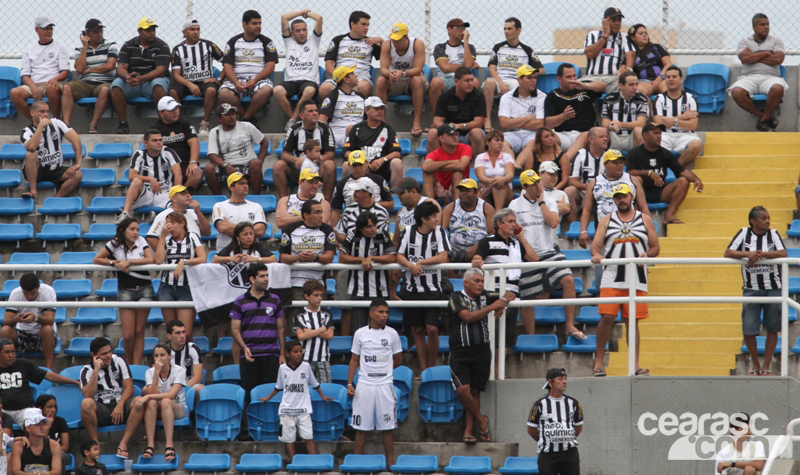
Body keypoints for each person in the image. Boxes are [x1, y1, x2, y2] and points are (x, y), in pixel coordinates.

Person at [590, 184, 660, 376]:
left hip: (636, 277)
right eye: (618, 197)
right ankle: (598, 362)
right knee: (607, 317)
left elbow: (656, 247)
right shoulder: (606, 220)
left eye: (625, 196)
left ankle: (635, 364)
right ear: (614, 200)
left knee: (632, 321)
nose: (622, 200)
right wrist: (597, 255)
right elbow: (595, 246)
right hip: (612, 276)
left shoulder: (645, 219)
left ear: (632, 197)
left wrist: (647, 255)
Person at [511, 170, 584, 338]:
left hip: (550, 251)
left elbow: (553, 222)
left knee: (568, 280)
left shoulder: (550, 202)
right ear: (524, 187)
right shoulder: (514, 205)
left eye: (538, 182)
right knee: (527, 297)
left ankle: (570, 325)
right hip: (527, 255)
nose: (537, 186)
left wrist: (541, 203)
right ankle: (531, 336)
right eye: (533, 184)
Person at [448, 268, 514, 443]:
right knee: (463, 390)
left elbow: (511, 293)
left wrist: (503, 302)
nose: (480, 284)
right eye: (476, 281)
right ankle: (482, 420)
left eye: (482, 281)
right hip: (460, 351)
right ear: (466, 283)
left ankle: (469, 432)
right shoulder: (456, 297)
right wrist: (493, 307)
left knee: (475, 392)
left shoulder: (486, 295)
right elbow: (467, 317)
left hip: (482, 350)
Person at [724, 206, 786, 376]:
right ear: (753, 221)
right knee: (748, 329)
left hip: (774, 287)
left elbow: (783, 252)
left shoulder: (773, 234)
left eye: (768, 218)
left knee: (772, 328)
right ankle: (755, 365)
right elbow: (728, 252)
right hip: (751, 288)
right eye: (763, 218)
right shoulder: (744, 233)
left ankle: (766, 366)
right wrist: (748, 254)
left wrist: (760, 255)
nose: (768, 221)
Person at [472, 208, 538, 349]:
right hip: (493, 294)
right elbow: (477, 257)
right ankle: (493, 371)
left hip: (513, 295)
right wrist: (477, 260)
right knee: (492, 339)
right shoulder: (487, 241)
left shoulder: (516, 243)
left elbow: (534, 259)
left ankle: (500, 371)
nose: (514, 224)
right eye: (510, 221)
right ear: (499, 224)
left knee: (506, 340)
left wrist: (521, 238)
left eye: (515, 221)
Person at [93, 217, 155, 364]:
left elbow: (150, 259)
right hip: (125, 290)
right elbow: (97, 259)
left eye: (137, 229)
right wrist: (114, 262)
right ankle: (129, 364)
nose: (136, 233)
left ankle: (136, 366)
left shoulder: (141, 241)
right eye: (132, 229)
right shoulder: (114, 243)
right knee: (128, 334)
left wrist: (129, 262)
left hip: (145, 289)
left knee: (139, 331)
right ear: (123, 230)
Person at [397, 201, 451, 372]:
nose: (437, 219)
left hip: (433, 289)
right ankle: (423, 368)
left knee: (432, 329)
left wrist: (420, 262)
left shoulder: (440, 232)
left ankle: (432, 367)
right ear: (424, 219)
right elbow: (399, 256)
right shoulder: (408, 232)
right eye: (434, 216)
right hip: (412, 289)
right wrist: (410, 265)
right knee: (418, 330)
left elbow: (443, 257)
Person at [348, 298, 402, 464]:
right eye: (380, 312)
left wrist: (383, 373)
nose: (384, 315)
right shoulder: (360, 333)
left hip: (385, 385)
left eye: (386, 312)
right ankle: (356, 462)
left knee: (387, 426)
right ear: (371, 313)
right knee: (361, 426)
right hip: (364, 384)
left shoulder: (392, 333)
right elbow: (354, 360)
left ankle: (390, 463)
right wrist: (350, 383)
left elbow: (398, 359)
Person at [259, 340, 331, 457]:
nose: (299, 354)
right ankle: (293, 463)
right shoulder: (282, 368)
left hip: (304, 409)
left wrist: (323, 396)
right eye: (295, 352)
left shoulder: (306, 366)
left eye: (300, 351)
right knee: (289, 439)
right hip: (287, 410)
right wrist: (267, 397)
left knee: (308, 437)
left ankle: (313, 462)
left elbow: (315, 383)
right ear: (287, 354)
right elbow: (278, 387)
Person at [118, 344, 187, 462]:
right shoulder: (149, 372)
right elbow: (153, 392)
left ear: (170, 356)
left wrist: (148, 396)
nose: (159, 358)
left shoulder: (179, 370)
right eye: (156, 356)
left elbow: (171, 395)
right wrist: (156, 374)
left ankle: (169, 445)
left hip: (178, 407)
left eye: (162, 355)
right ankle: (150, 445)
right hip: (159, 408)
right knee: (151, 403)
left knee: (165, 401)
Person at [626, 122, 704, 224]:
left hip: (660, 191)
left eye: (660, 133)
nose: (659, 136)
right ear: (645, 135)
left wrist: (696, 179)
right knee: (636, 179)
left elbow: (682, 171)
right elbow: (629, 172)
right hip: (641, 191)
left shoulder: (665, 153)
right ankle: (638, 215)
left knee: (684, 181)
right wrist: (649, 173)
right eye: (655, 133)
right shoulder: (635, 153)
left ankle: (669, 215)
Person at [578, 150, 650, 251]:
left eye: (621, 162)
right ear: (605, 164)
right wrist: (583, 231)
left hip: (630, 228)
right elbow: (587, 210)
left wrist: (649, 229)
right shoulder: (595, 182)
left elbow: (643, 207)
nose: (619, 165)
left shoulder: (632, 180)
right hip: (604, 230)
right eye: (615, 162)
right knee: (603, 261)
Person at [340, 211, 398, 333]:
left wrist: (371, 258)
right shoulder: (352, 234)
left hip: (381, 289)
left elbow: (392, 256)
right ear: (361, 228)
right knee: (359, 329)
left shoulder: (382, 234)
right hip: (358, 289)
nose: (373, 229)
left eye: (375, 225)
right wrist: (362, 260)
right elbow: (342, 257)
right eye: (369, 227)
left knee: (381, 328)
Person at [279, 200, 337, 324]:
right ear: (306, 215)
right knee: (296, 325)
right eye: (317, 212)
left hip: (318, 285)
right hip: (295, 285)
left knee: (318, 323)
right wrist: (298, 258)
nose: (321, 215)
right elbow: (283, 257)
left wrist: (315, 258)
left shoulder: (327, 230)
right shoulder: (291, 228)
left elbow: (329, 257)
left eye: (321, 212)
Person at [110, 18, 171, 134]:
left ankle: (163, 125)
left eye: (153, 29)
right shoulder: (128, 45)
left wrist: (142, 78)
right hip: (133, 82)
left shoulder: (162, 46)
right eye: (148, 30)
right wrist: (128, 77)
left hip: (152, 81)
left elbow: (161, 70)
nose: (152, 32)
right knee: (116, 86)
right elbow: (121, 67)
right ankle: (123, 124)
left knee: (158, 85)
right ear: (139, 31)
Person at [231, 263, 286, 390]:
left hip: (271, 355)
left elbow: (281, 328)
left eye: (267, 275)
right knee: (251, 395)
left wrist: (282, 353)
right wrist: (244, 347)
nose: (266, 279)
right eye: (262, 276)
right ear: (252, 279)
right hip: (249, 355)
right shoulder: (239, 301)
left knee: (270, 394)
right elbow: (235, 329)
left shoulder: (275, 300)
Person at [219, 10, 278, 127]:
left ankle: (245, 118)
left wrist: (255, 80)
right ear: (244, 24)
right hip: (237, 79)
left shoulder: (266, 42)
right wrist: (236, 82)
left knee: (266, 90)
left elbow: (270, 66)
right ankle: (246, 118)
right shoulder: (233, 42)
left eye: (260, 23)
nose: (258, 26)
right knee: (224, 92)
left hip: (259, 80)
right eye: (254, 23)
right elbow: (227, 66)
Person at [0, 339, 78, 427]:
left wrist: (74, 381)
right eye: (7, 352)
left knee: (37, 421)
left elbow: (48, 375)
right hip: (3, 410)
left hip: (24, 410)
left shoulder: (23, 365)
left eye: (13, 352)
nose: (11, 355)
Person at [730, 13, 787, 131]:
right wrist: (767, 53)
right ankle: (763, 117)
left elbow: (778, 59)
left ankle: (763, 119)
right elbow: (745, 59)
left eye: (767, 24)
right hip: (748, 77)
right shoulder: (744, 41)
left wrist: (753, 55)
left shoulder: (776, 41)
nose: (766, 27)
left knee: (777, 88)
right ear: (754, 27)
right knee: (736, 92)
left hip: (770, 77)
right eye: (762, 24)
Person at [155, 211, 207, 340]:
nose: (169, 226)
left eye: (172, 223)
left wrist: (184, 262)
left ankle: (187, 357)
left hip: (186, 287)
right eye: (167, 223)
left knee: (185, 333)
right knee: (172, 333)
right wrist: (162, 237)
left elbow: (202, 258)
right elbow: (158, 260)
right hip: (167, 287)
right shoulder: (166, 240)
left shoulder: (193, 237)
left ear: (182, 223)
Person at [484, 18, 543, 127]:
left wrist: (527, 73)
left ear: (518, 30)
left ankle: (515, 122)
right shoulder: (498, 47)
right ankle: (487, 120)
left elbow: (541, 70)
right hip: (499, 80)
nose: (506, 31)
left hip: (516, 81)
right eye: (505, 29)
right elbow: (491, 69)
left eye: (509, 29)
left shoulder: (527, 50)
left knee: (519, 87)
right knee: (488, 82)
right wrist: (501, 84)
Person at [168, 18, 224, 134]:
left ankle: (205, 124)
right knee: (173, 92)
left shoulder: (209, 45)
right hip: (186, 83)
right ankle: (181, 124)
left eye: (198, 29)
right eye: (192, 29)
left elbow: (228, 63)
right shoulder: (177, 49)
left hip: (205, 81)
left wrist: (219, 79)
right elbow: (176, 75)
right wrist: (190, 84)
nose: (196, 32)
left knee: (212, 90)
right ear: (184, 32)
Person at [20, 100, 83, 202]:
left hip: (55, 169)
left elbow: (76, 139)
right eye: (42, 111)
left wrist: (78, 163)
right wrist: (40, 126)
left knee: (77, 174)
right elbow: (31, 147)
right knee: (30, 155)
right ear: (32, 113)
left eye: (47, 112)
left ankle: (56, 199)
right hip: (37, 170)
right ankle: (33, 192)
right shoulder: (26, 131)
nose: (45, 115)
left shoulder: (57, 123)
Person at [62, 19, 117, 132]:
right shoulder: (79, 49)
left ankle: (93, 124)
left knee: (105, 90)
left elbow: (110, 66)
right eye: (95, 32)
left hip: (103, 82)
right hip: (85, 83)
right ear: (87, 34)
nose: (99, 34)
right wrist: (85, 47)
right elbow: (80, 68)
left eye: (101, 31)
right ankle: (66, 125)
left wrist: (89, 70)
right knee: (67, 87)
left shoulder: (111, 45)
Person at [10, 17, 70, 122]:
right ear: (37, 30)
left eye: (51, 28)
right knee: (14, 93)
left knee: (51, 88)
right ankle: (35, 122)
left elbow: (65, 72)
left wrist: (54, 80)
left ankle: (56, 121)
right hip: (35, 84)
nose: (49, 31)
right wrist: (33, 87)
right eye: (46, 29)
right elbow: (25, 75)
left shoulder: (61, 46)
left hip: (54, 83)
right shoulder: (29, 49)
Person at [115, 130, 181, 223]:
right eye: (154, 140)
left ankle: (156, 218)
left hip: (164, 193)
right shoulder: (139, 154)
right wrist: (150, 179)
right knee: (136, 181)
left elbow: (178, 174)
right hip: (146, 194)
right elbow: (131, 176)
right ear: (146, 143)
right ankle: (125, 213)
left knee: (177, 207)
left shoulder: (168, 152)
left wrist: (176, 194)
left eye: (160, 140)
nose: (159, 143)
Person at [528, 368, 584, 475]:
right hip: (548, 455)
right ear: (550, 382)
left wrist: (565, 437)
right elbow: (531, 429)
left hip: (570, 454)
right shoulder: (539, 404)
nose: (565, 381)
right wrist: (547, 439)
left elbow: (578, 427)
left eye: (565, 379)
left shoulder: (574, 403)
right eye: (560, 379)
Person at [277, 101, 337, 200]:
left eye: (316, 110)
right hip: (299, 167)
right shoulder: (294, 129)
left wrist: (319, 158)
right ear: (302, 115)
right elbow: (285, 154)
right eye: (310, 111)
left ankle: (326, 202)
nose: (315, 113)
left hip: (319, 166)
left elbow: (330, 154)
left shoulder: (325, 128)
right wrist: (299, 160)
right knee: (278, 165)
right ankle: (284, 201)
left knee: (330, 165)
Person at [79, 337, 134, 445]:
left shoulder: (119, 361)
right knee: (86, 403)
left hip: (121, 404)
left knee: (138, 401)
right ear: (94, 355)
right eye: (104, 353)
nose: (108, 355)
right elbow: (88, 395)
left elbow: (129, 388)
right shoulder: (86, 370)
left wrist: (120, 404)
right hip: (102, 409)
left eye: (109, 351)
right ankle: (95, 443)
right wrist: (96, 370)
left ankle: (124, 442)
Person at [204, 103, 269, 195]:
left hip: (247, 166)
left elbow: (264, 142)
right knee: (208, 168)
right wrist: (226, 165)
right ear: (219, 119)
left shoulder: (247, 126)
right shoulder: (215, 132)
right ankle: (219, 199)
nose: (231, 117)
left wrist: (260, 161)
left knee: (255, 163)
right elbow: (212, 156)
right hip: (226, 168)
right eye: (227, 115)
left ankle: (256, 196)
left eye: (233, 114)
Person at [274, 10, 324, 128]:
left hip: (308, 81)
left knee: (309, 91)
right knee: (277, 90)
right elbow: (284, 17)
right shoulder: (289, 42)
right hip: (291, 81)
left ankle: (292, 120)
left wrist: (307, 13)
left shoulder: (314, 41)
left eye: (304, 30)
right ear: (292, 33)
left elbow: (319, 18)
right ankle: (295, 121)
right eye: (298, 30)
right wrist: (300, 12)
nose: (302, 33)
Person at [544, 64, 606, 160]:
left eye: (574, 76)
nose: (573, 79)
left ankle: (564, 161)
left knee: (585, 136)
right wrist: (563, 116)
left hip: (585, 134)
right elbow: (548, 123)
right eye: (568, 77)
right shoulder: (553, 95)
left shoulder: (584, 88)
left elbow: (602, 86)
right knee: (547, 137)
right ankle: (557, 161)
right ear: (559, 79)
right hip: (563, 135)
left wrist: (585, 86)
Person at [376, 23, 428, 136]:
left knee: (417, 80)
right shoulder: (387, 44)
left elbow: (418, 69)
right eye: (394, 40)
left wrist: (403, 73)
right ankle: (382, 123)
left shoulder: (417, 44)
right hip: (395, 80)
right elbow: (383, 69)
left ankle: (417, 123)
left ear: (406, 38)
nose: (396, 43)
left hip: (412, 78)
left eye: (399, 40)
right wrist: (390, 74)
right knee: (381, 81)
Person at [342, 97, 403, 188]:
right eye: (376, 108)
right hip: (360, 166)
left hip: (382, 167)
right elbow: (346, 151)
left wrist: (382, 160)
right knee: (346, 165)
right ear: (367, 110)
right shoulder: (356, 128)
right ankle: (347, 193)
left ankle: (395, 196)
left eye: (381, 109)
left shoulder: (388, 129)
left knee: (397, 163)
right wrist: (362, 162)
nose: (380, 111)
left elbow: (397, 152)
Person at [319, 11, 380, 100]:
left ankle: (362, 113)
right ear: (353, 24)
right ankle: (328, 113)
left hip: (361, 78)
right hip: (339, 77)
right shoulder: (338, 40)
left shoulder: (370, 42)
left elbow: (386, 58)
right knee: (324, 89)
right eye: (363, 24)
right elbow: (329, 66)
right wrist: (342, 77)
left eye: (368, 25)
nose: (366, 28)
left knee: (364, 88)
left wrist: (380, 41)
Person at [427, 67, 485, 159]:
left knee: (477, 133)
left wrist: (461, 126)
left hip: (469, 133)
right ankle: (436, 167)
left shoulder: (478, 96)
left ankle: (477, 168)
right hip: (449, 132)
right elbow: (437, 121)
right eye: (467, 81)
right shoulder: (445, 96)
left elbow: (479, 122)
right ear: (456, 81)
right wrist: (448, 128)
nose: (470, 83)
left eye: (472, 80)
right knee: (432, 133)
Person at [2, 274, 58, 369]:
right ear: (22, 289)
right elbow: (6, 322)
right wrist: (16, 319)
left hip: (42, 336)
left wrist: (36, 318)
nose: (30, 297)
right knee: (5, 330)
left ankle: (49, 370)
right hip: (22, 334)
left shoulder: (48, 291)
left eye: (33, 293)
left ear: (38, 287)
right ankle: (7, 369)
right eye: (26, 293)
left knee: (47, 329)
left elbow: (50, 320)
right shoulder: (15, 293)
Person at [652, 65, 703, 166]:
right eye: (668, 77)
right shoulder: (659, 98)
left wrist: (673, 121)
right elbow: (658, 124)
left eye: (674, 77)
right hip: (664, 135)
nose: (671, 79)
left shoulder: (690, 98)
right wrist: (682, 118)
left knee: (696, 145)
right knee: (650, 143)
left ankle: (675, 169)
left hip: (685, 135)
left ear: (681, 79)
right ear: (665, 80)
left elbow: (693, 125)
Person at [498, 65, 545, 167]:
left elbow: (540, 125)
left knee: (533, 143)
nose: (533, 80)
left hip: (532, 134)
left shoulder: (542, 96)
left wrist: (513, 121)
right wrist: (527, 118)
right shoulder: (507, 97)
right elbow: (503, 123)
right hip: (511, 134)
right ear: (519, 79)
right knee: (502, 143)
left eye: (534, 78)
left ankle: (516, 167)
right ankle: (511, 166)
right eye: (529, 78)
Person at [152, 97, 202, 190]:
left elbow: (194, 143)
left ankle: (181, 195)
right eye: (171, 110)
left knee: (197, 174)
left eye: (176, 108)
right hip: (165, 167)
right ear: (161, 113)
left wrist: (193, 163)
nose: (175, 112)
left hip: (185, 165)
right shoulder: (155, 128)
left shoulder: (185, 123)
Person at [442, 179, 495, 265]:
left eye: (467, 190)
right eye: (461, 190)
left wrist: (478, 246)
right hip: (454, 252)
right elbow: (441, 230)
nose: (463, 193)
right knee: (442, 254)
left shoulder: (486, 208)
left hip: (479, 251)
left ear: (476, 192)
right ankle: (453, 278)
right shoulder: (450, 208)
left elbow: (493, 232)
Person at [429, 18, 478, 111]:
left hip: (464, 79)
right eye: (459, 28)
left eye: (464, 28)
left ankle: (471, 120)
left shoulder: (469, 47)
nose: (462, 31)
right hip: (445, 79)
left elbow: (468, 64)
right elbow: (445, 67)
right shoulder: (440, 47)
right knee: (435, 82)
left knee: (475, 82)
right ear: (450, 30)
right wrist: (466, 66)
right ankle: (436, 120)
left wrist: (466, 41)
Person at [211, 172, 268, 250]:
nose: (245, 186)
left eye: (246, 183)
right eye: (241, 184)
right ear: (231, 187)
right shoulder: (220, 206)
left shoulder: (256, 206)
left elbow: (261, 231)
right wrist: (250, 231)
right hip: (226, 252)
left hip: (251, 253)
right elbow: (222, 227)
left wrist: (230, 227)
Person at [331, 151, 394, 221]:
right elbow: (336, 210)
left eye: (360, 164)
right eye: (354, 165)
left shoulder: (378, 180)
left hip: (374, 221)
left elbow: (391, 205)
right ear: (349, 165)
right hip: (352, 221)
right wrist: (334, 231)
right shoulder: (342, 184)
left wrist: (371, 204)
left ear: (367, 163)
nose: (358, 168)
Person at [564, 127, 609, 223]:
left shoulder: (610, 156)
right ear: (591, 140)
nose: (605, 139)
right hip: (583, 193)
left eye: (606, 136)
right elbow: (571, 180)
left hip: (604, 192)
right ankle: (573, 225)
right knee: (569, 190)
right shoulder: (580, 154)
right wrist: (587, 187)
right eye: (601, 137)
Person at [146, 185, 211, 249]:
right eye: (183, 193)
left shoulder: (194, 212)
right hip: (175, 257)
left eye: (189, 193)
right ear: (174, 198)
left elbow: (207, 233)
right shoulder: (164, 215)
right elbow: (151, 238)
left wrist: (198, 213)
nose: (188, 195)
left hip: (195, 256)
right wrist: (166, 255)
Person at [294, 280, 334, 383]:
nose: (319, 298)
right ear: (306, 296)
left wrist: (309, 332)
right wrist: (321, 329)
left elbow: (330, 335)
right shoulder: (299, 313)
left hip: (323, 358)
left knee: (326, 389)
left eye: (321, 295)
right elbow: (301, 336)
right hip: (305, 358)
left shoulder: (327, 313)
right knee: (304, 389)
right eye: (316, 295)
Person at [582, 7, 629, 93]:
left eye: (619, 20)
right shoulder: (593, 35)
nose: (617, 23)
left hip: (614, 79)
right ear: (605, 21)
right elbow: (590, 54)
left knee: (627, 87)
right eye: (613, 20)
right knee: (576, 88)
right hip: (592, 78)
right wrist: (605, 36)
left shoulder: (625, 37)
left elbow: (630, 56)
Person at [600, 71, 648, 151]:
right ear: (621, 86)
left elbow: (641, 123)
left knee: (639, 130)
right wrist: (611, 125)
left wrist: (620, 124)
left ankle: (640, 160)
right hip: (614, 136)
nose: (635, 88)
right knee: (601, 131)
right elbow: (605, 123)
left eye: (636, 84)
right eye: (631, 84)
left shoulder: (641, 98)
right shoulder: (610, 98)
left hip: (632, 137)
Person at [424, 123, 472, 202]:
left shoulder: (466, 148)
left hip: (461, 189)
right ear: (441, 138)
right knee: (428, 173)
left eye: (456, 134)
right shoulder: (436, 153)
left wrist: (437, 166)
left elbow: (461, 166)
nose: (455, 137)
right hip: (440, 190)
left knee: (457, 172)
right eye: (451, 135)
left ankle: (457, 205)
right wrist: (453, 162)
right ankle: (431, 204)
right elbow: (425, 167)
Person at [319, 65, 365, 148]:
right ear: (346, 79)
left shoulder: (361, 97)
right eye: (352, 74)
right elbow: (321, 121)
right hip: (337, 137)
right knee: (351, 129)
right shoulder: (333, 96)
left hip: (359, 136)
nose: (356, 75)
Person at [10, 408, 61, 475]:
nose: (42, 427)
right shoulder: (18, 446)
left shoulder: (54, 445)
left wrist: (44, 474)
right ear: (28, 428)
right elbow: (15, 471)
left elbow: (57, 471)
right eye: (37, 424)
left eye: (43, 424)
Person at [625, 24, 671, 97]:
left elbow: (668, 64)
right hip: (643, 82)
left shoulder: (656, 48)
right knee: (640, 91)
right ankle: (648, 108)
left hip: (661, 80)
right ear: (633, 37)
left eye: (646, 33)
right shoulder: (631, 53)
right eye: (641, 33)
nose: (644, 35)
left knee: (669, 90)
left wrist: (659, 78)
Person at [392, 177, 439, 248]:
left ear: (413, 191)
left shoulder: (429, 204)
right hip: (404, 253)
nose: (399, 196)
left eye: (402, 193)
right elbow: (396, 240)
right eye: (398, 194)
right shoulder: (401, 212)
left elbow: (437, 233)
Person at [474, 130, 515, 208]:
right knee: (477, 195)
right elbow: (481, 176)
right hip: (486, 190)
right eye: (497, 140)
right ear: (488, 142)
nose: (500, 143)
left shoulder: (507, 156)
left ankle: (497, 212)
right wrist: (492, 181)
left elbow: (510, 175)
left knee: (499, 183)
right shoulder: (480, 157)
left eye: (501, 141)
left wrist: (501, 180)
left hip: (505, 191)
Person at [165, 319, 205, 391]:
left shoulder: (193, 348)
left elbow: (198, 377)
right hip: (168, 386)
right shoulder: (163, 351)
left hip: (188, 385)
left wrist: (180, 389)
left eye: (183, 332)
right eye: (178, 333)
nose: (182, 336)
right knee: (146, 389)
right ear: (169, 336)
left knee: (201, 389)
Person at [35, 395, 68, 475]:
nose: (53, 410)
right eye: (49, 407)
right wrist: (47, 426)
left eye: (54, 407)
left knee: (61, 455)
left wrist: (53, 451)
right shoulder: (35, 423)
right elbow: (41, 444)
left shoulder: (60, 421)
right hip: (39, 452)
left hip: (59, 453)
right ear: (40, 408)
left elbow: (65, 447)